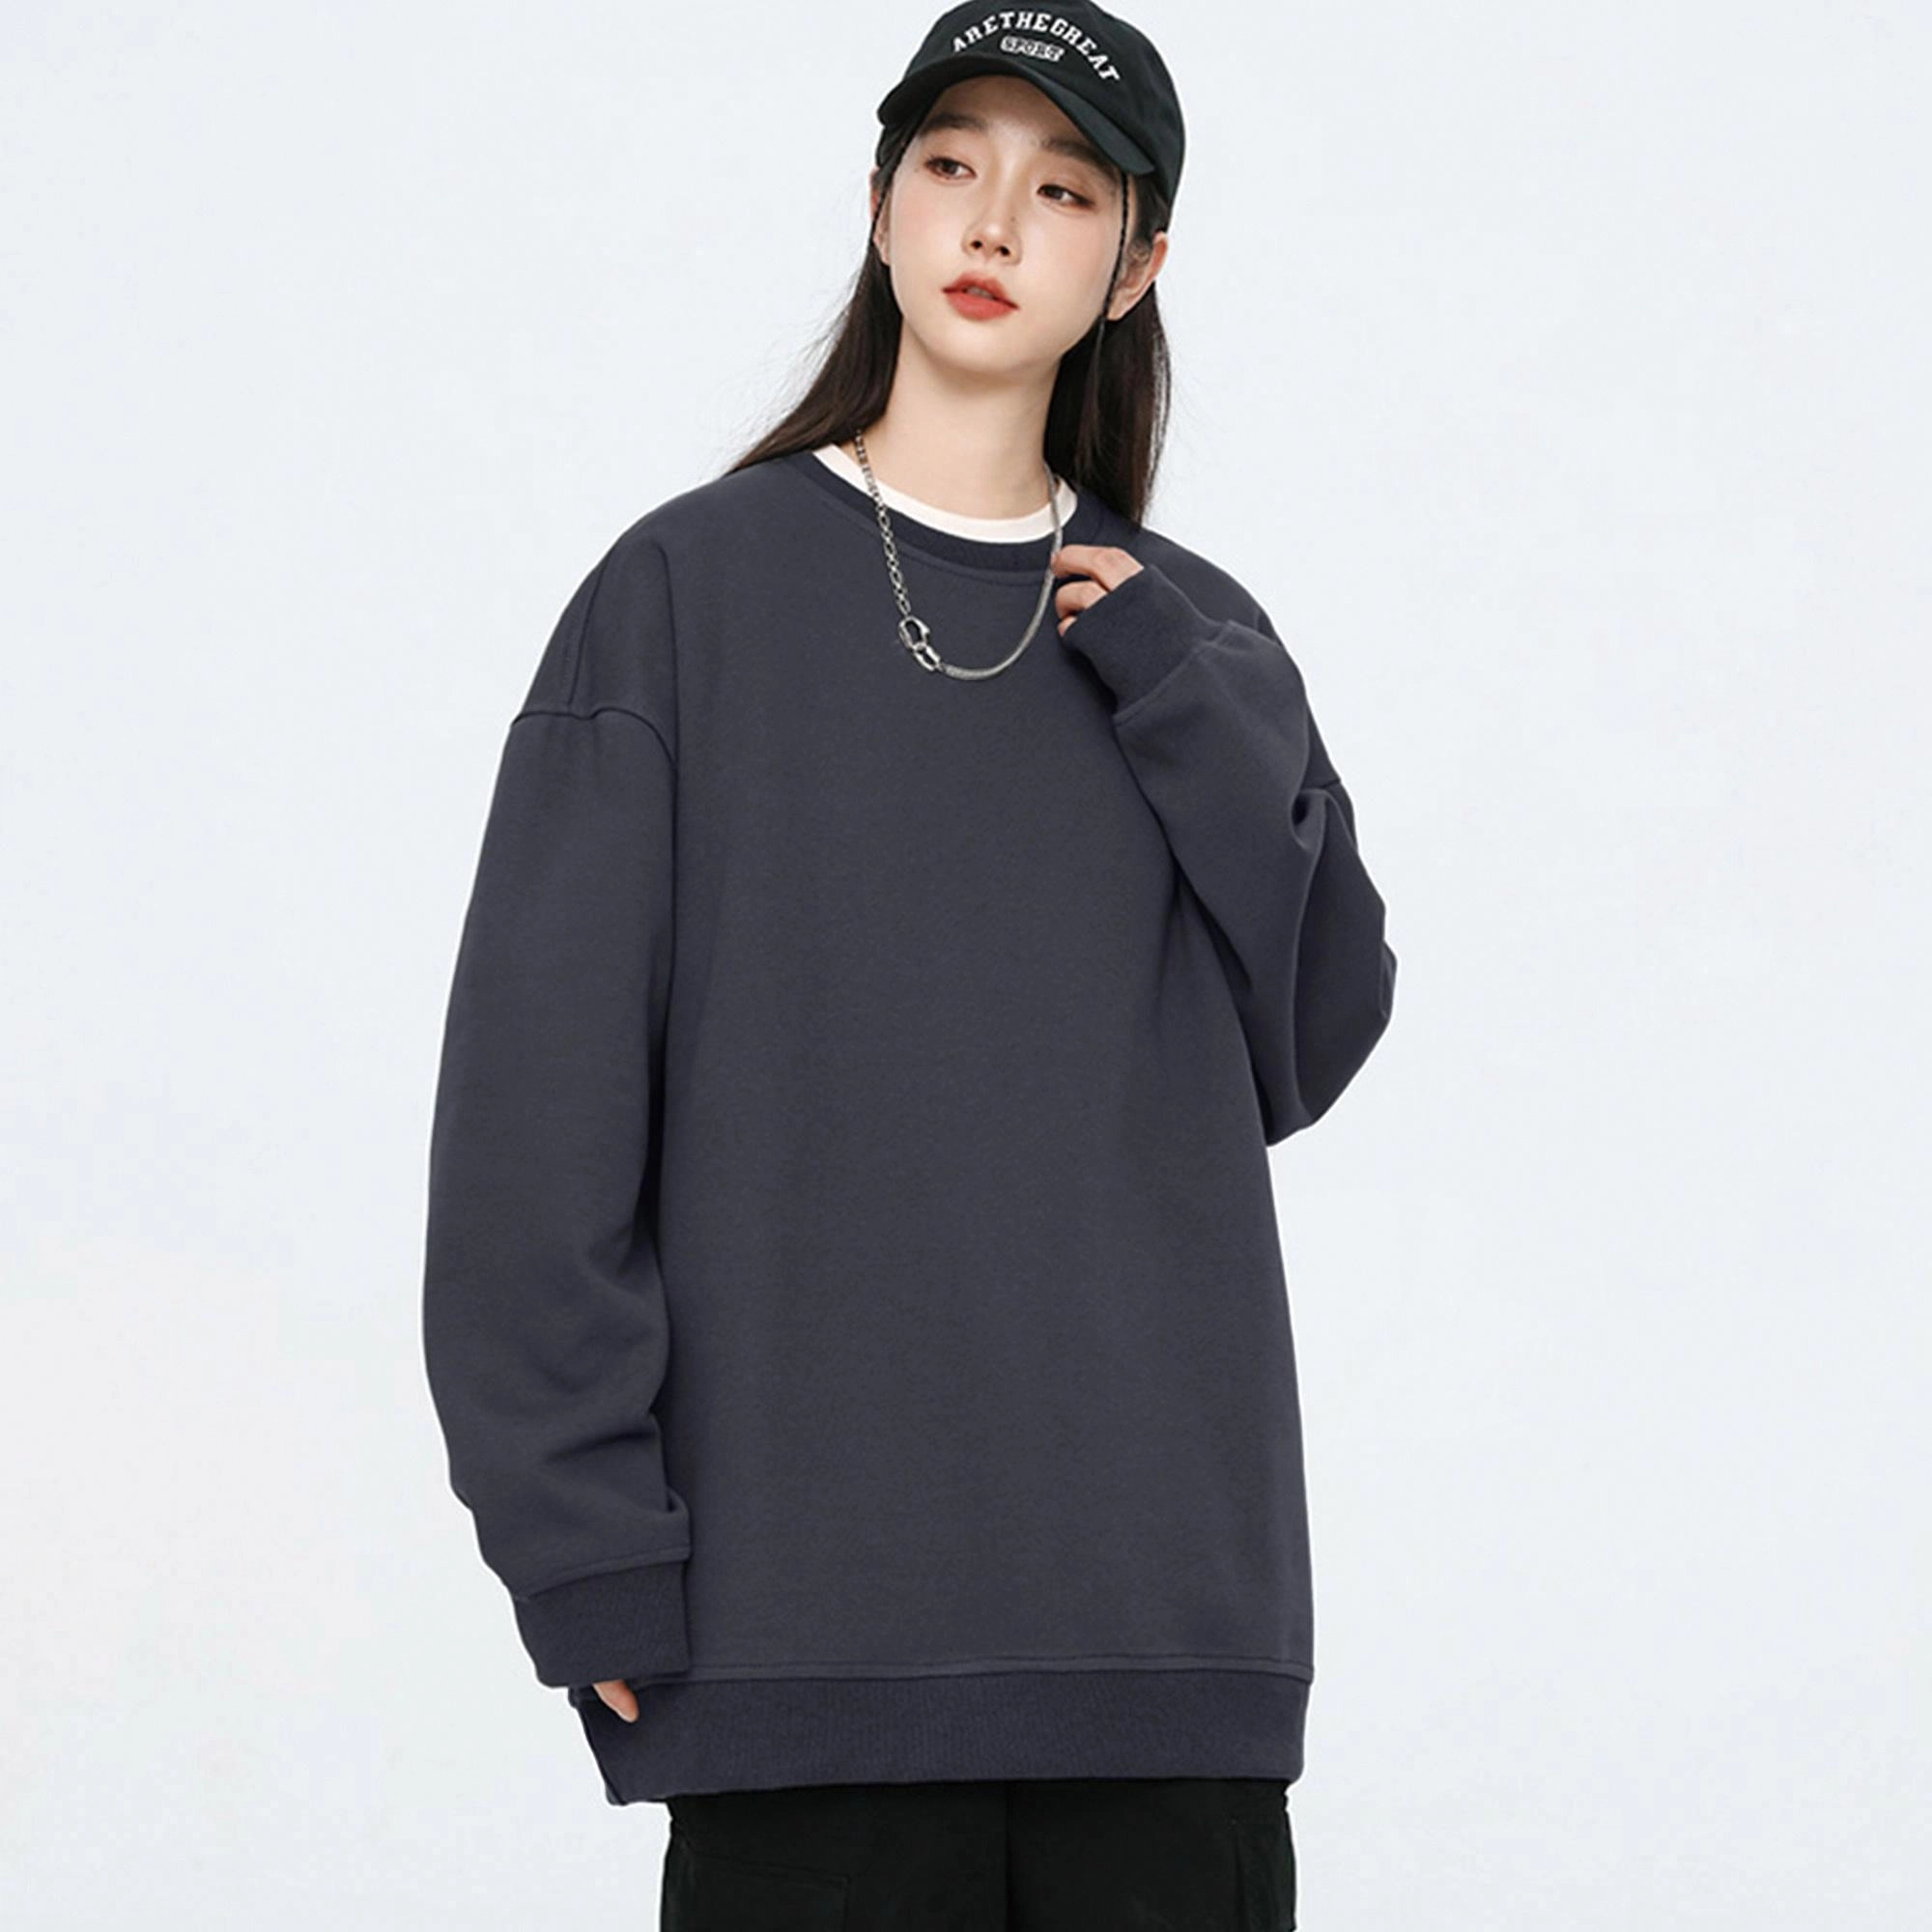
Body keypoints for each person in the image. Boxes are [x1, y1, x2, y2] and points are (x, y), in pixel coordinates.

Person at [421, 4, 1396, 1925]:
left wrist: (1177, 693)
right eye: (952, 164)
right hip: (800, 1653)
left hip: (1160, 1650)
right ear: (880, 207)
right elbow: (537, 1121)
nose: (994, 221)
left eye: (1064, 191)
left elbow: (1313, 1028)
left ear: (1136, 268)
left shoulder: (1198, 637)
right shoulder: (684, 599)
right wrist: (582, 1542)